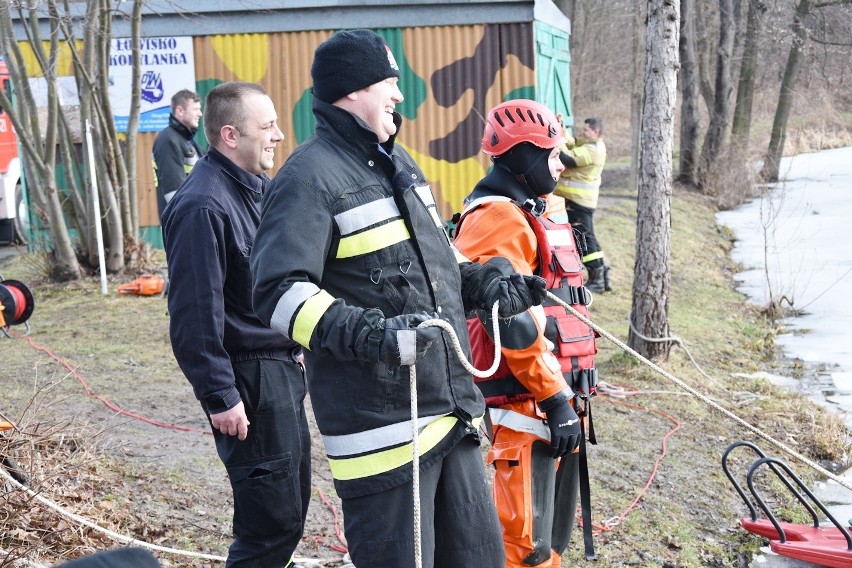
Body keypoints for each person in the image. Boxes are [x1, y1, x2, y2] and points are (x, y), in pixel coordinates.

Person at [250, 29, 547, 568]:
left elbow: (439, 259)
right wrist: (372, 336)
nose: (399, 94)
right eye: (389, 82)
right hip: (383, 439)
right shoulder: (307, 177)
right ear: (351, 92)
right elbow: (276, 294)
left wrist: (484, 284)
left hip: (451, 415)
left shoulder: (398, 160)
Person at [161, 82, 311, 568]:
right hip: (250, 383)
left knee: (289, 511)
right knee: (270, 526)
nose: (279, 135)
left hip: (280, 371)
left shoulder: (254, 190)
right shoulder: (202, 205)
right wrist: (220, 395)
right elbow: (192, 317)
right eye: (266, 126)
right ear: (230, 134)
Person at [453, 99, 598, 567]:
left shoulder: (525, 210)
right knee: (523, 546)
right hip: (524, 405)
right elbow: (511, 320)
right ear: (525, 157)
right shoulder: (498, 219)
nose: (560, 165)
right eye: (553, 155)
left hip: (544, 400)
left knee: (548, 540)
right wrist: (555, 398)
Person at [552, 116, 610, 292]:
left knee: (585, 239)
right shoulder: (588, 144)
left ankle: (596, 278)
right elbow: (572, 143)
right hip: (580, 201)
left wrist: (555, 138)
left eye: (586, 130)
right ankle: (602, 276)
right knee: (589, 236)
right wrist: (561, 129)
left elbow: (568, 158)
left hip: (579, 201)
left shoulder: (594, 150)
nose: (583, 132)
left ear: (595, 132)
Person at [153, 89, 204, 219]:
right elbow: (174, 193)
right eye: (195, 109)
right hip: (183, 221)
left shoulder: (187, 140)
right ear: (180, 111)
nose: (200, 114)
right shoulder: (168, 140)